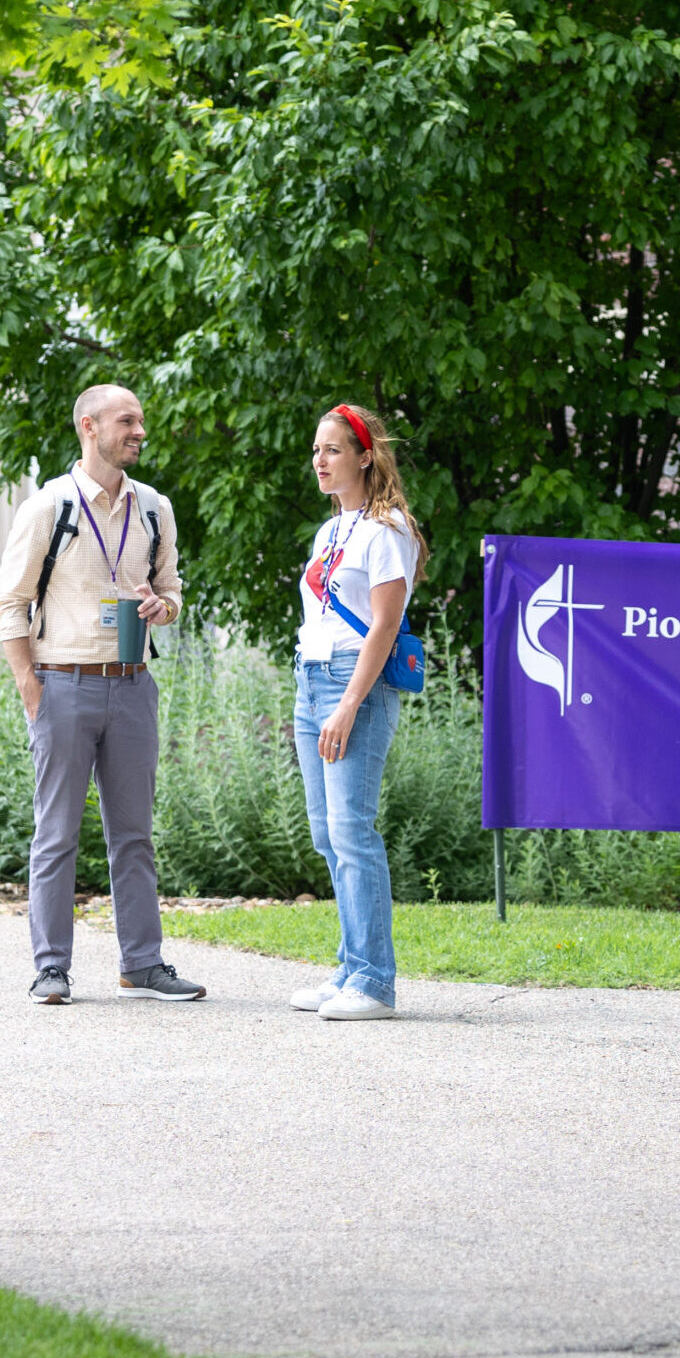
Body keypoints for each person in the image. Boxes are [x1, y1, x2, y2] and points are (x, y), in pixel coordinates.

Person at [0, 384, 202, 1005]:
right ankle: (51, 967)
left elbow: (172, 590)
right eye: (127, 421)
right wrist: (31, 685)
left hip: (133, 688)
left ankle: (142, 963)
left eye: (140, 421)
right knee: (56, 834)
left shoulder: (155, 508)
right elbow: (9, 603)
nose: (140, 431)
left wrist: (162, 606)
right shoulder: (48, 508)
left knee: (133, 835)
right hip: (62, 686)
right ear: (89, 426)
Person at [288, 403, 426, 1022]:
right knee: (327, 834)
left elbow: (385, 626)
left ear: (365, 456)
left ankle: (374, 982)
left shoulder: (386, 529)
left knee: (352, 831)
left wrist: (348, 704)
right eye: (316, 450)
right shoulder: (331, 531)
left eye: (333, 450)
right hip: (310, 681)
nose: (320, 460)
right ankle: (349, 967)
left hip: (352, 686)